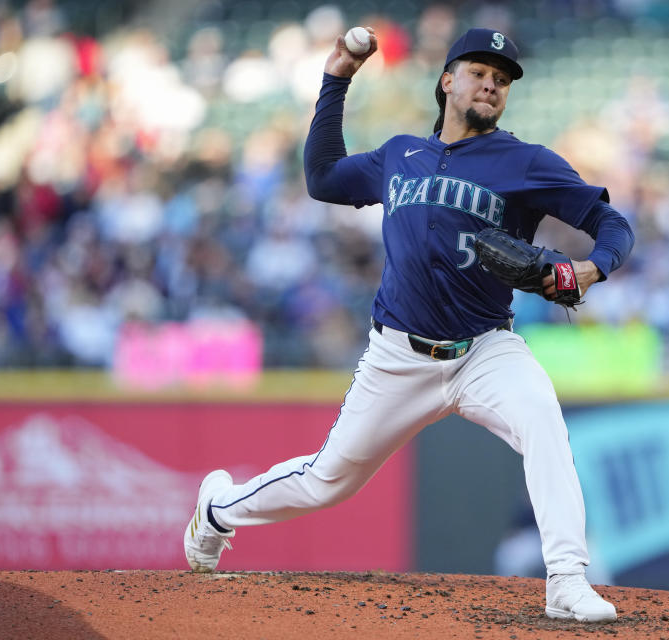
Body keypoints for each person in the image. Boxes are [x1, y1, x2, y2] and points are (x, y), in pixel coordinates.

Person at [184, 27, 634, 623]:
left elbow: (611, 222)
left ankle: (567, 581)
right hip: (398, 354)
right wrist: (337, 76)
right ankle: (218, 510)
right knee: (329, 480)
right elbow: (323, 178)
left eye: (502, 80)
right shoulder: (400, 155)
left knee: (544, 422)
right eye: (480, 72)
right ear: (447, 80)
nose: (492, 86)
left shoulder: (525, 162)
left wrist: (591, 268)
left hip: (485, 349)